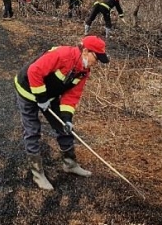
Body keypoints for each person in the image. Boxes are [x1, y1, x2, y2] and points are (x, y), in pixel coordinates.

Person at [14, 35, 110, 190]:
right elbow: (34, 71)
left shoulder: (84, 71)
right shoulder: (63, 55)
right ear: (85, 51)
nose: (96, 62)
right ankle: (38, 174)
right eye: (96, 58)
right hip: (27, 90)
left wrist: (67, 118)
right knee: (32, 130)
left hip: (48, 95)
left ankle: (70, 164)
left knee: (63, 126)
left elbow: (72, 95)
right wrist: (41, 98)